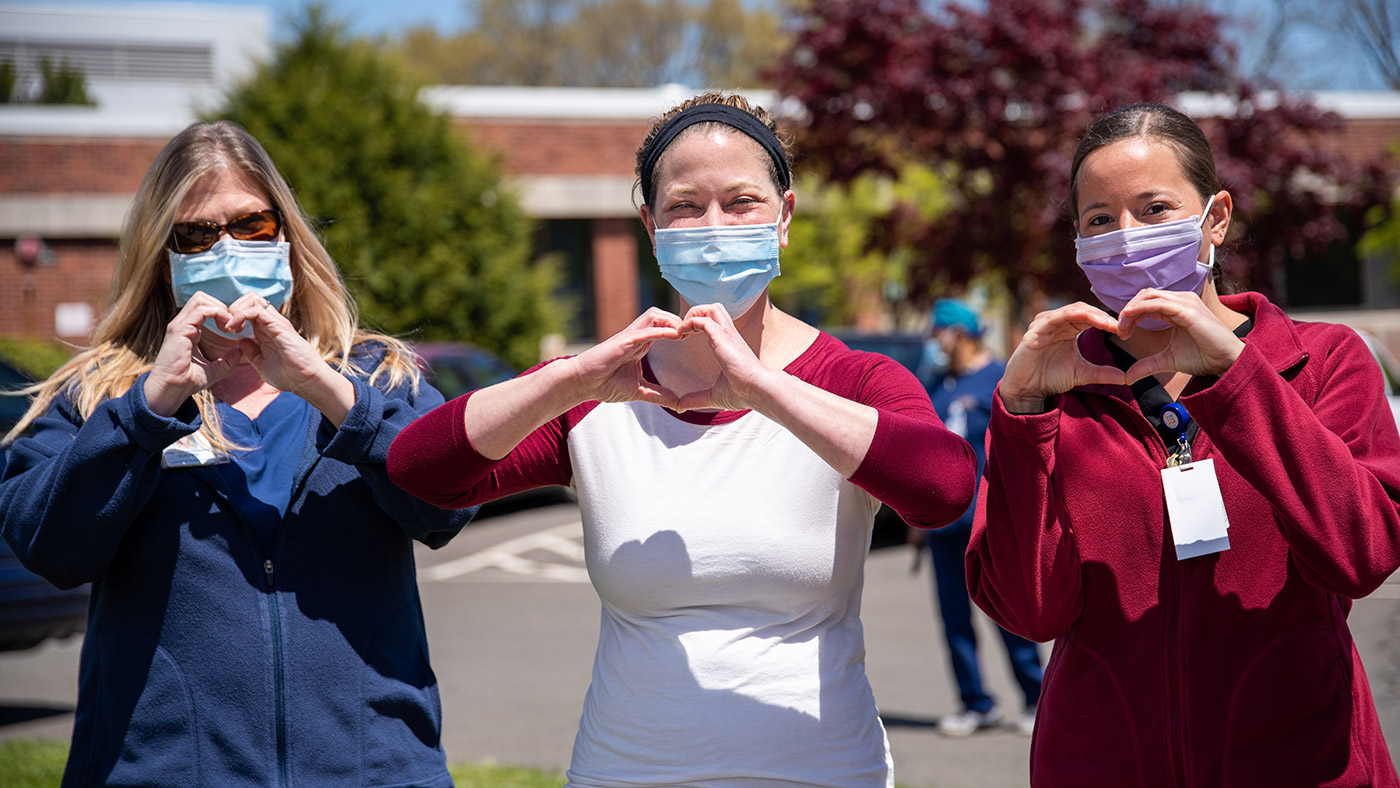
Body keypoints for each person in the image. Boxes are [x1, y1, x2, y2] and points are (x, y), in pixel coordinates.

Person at [387, 92, 977, 787]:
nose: (714, 226)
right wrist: (570, 377)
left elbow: (945, 491)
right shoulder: (600, 389)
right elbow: (420, 472)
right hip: (625, 770)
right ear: (651, 224)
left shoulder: (852, 379)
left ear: (785, 217)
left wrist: (766, 391)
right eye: (687, 207)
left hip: (821, 770)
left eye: (742, 202)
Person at [0, 121, 475, 788]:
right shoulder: (98, 393)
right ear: (160, 254)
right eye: (196, 233)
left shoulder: (375, 376)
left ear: (285, 233)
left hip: (375, 773)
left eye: (251, 224)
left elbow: (446, 506)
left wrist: (324, 388)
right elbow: (47, 546)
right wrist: (147, 409)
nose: (225, 248)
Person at [966, 102, 1400, 787]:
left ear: (1215, 218)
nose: (1127, 237)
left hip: (1307, 764)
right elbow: (1030, 612)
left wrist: (1237, 378)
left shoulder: (1322, 361)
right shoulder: (1055, 387)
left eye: (1155, 208)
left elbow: (1362, 555)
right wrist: (1022, 414)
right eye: (1100, 220)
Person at [911, 298, 1042, 737]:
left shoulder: (999, 378)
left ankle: (1035, 697)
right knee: (953, 619)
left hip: (989, 523)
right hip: (943, 526)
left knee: (1007, 613)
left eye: (938, 333)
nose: (934, 343)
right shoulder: (938, 384)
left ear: (959, 334)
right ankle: (975, 702)